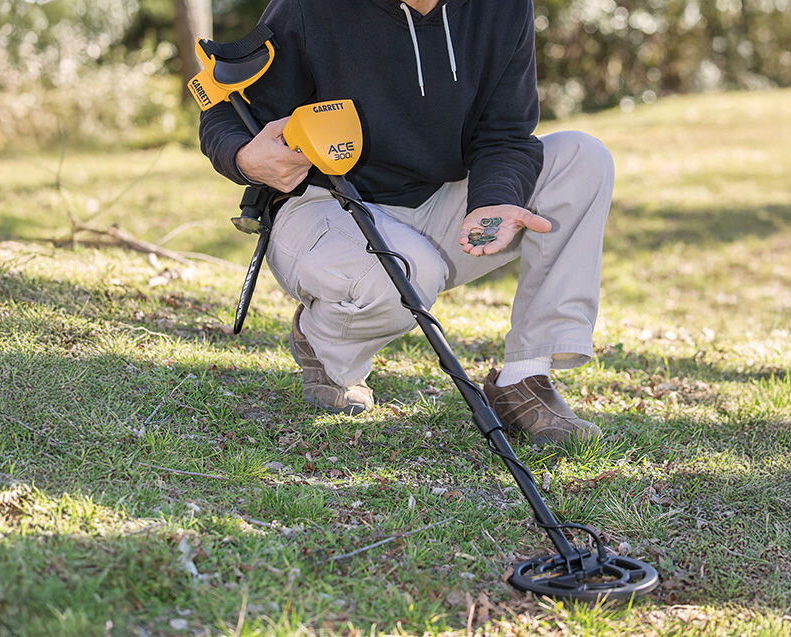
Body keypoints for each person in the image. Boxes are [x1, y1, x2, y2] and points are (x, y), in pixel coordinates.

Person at [199, 0, 614, 445]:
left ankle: (523, 379)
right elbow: (227, 106)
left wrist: (493, 199)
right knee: (408, 272)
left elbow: (506, 132)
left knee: (582, 158)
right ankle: (323, 344)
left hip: (441, 200)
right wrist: (244, 157)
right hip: (325, 204)